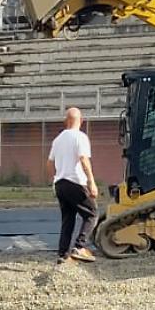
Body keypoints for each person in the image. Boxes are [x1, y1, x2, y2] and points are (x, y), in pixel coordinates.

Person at [47, 106, 99, 264]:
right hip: (75, 182)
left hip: (60, 183)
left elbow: (49, 163)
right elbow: (83, 159)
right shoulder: (80, 137)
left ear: (65, 121)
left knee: (68, 219)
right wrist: (91, 181)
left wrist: (55, 178)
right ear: (81, 121)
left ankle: (63, 255)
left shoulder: (58, 139)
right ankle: (80, 246)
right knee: (92, 213)